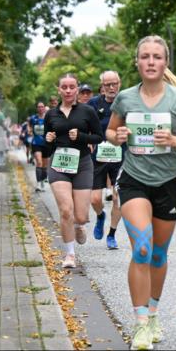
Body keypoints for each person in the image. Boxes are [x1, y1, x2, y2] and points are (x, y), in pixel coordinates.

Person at [107, 35, 176, 351]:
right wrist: (117, 136)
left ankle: (153, 313)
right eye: (145, 56)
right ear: (137, 62)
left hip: (168, 183)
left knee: (159, 255)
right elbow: (111, 131)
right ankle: (140, 325)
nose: (151, 62)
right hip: (134, 180)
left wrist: (174, 141)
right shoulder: (124, 99)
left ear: (165, 63)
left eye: (157, 57)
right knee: (143, 250)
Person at [44, 74, 104, 269]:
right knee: (65, 210)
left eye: (72, 87)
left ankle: (79, 225)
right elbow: (46, 146)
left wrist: (81, 136)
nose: (68, 90)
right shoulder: (51, 114)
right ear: (59, 89)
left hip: (82, 164)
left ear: (77, 89)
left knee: (80, 215)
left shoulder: (87, 111)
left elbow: (98, 138)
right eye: (64, 87)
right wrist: (49, 139)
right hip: (59, 164)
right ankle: (70, 254)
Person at [88, 71, 124, 250]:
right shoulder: (94, 104)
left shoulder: (127, 102)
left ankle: (112, 234)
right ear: (102, 86)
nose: (111, 88)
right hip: (98, 157)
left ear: (119, 83)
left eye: (114, 84)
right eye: (107, 84)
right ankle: (100, 215)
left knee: (119, 198)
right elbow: (84, 124)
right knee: (95, 199)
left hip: (121, 156)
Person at [29, 102, 50, 191]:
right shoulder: (33, 118)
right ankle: (38, 184)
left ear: (44, 108)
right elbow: (29, 126)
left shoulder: (48, 118)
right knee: (39, 162)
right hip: (36, 143)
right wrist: (30, 131)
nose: (40, 108)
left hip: (46, 144)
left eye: (42, 107)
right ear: (37, 109)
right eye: (39, 107)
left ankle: (42, 183)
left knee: (45, 165)